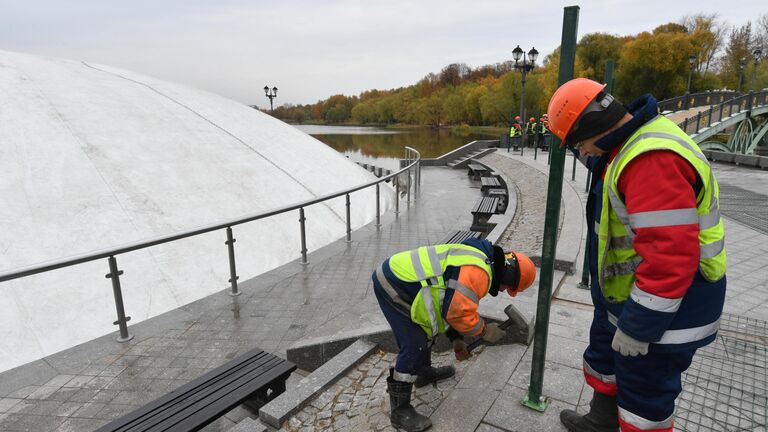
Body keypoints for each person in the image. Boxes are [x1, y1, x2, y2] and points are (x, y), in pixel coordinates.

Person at [546, 78, 726, 432]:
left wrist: (640, 326)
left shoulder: (650, 160)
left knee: (644, 401)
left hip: (665, 315)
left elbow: (669, 258)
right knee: (606, 360)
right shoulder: (627, 146)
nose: (581, 154)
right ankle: (600, 422)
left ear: (589, 128)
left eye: (577, 144)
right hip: (627, 297)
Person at [372, 238, 536, 431]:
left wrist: (456, 339)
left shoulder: (483, 257)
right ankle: (400, 412)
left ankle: (423, 373)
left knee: (426, 328)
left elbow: (446, 301)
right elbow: (457, 312)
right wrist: (484, 330)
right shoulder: (479, 273)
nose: (503, 291)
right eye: (508, 288)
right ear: (509, 278)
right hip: (393, 284)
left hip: (403, 277)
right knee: (414, 344)